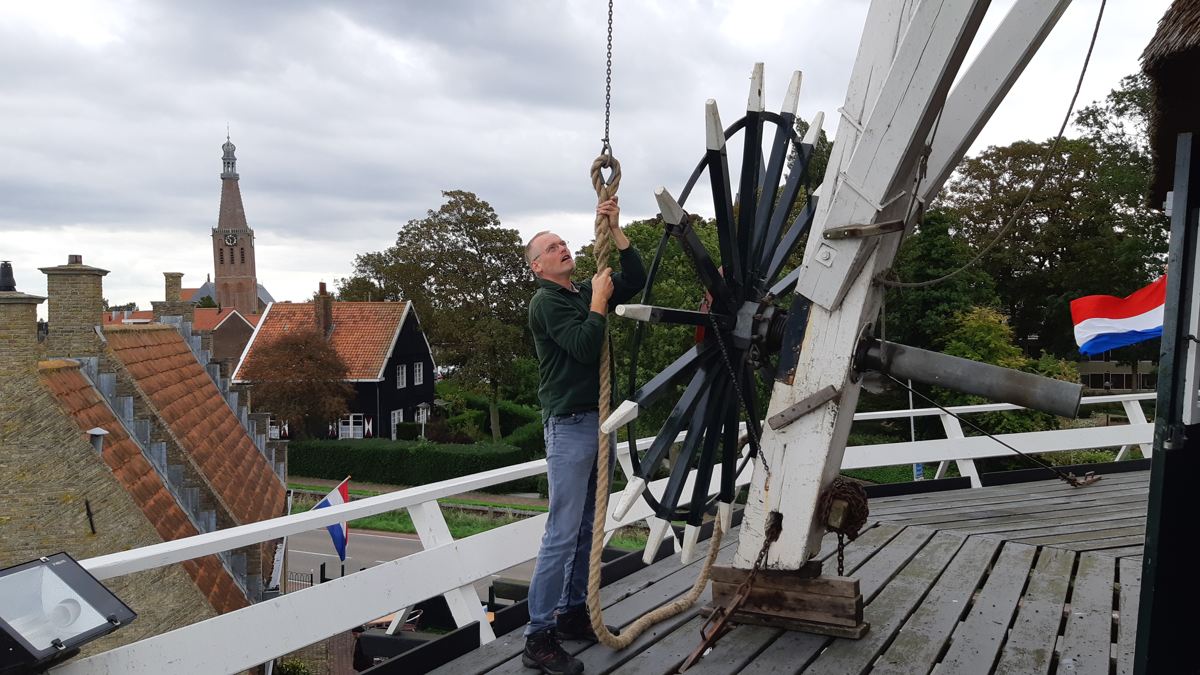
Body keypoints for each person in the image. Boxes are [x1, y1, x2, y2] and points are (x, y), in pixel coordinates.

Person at [521, 197, 646, 675]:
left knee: (588, 526)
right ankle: (538, 635)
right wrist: (597, 300)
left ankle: (573, 613)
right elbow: (582, 346)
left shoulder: (576, 293)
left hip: (598, 422)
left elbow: (635, 281)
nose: (563, 248)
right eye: (552, 248)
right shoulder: (546, 302)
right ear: (538, 266)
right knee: (561, 530)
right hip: (571, 425)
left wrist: (615, 233)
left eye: (564, 242)